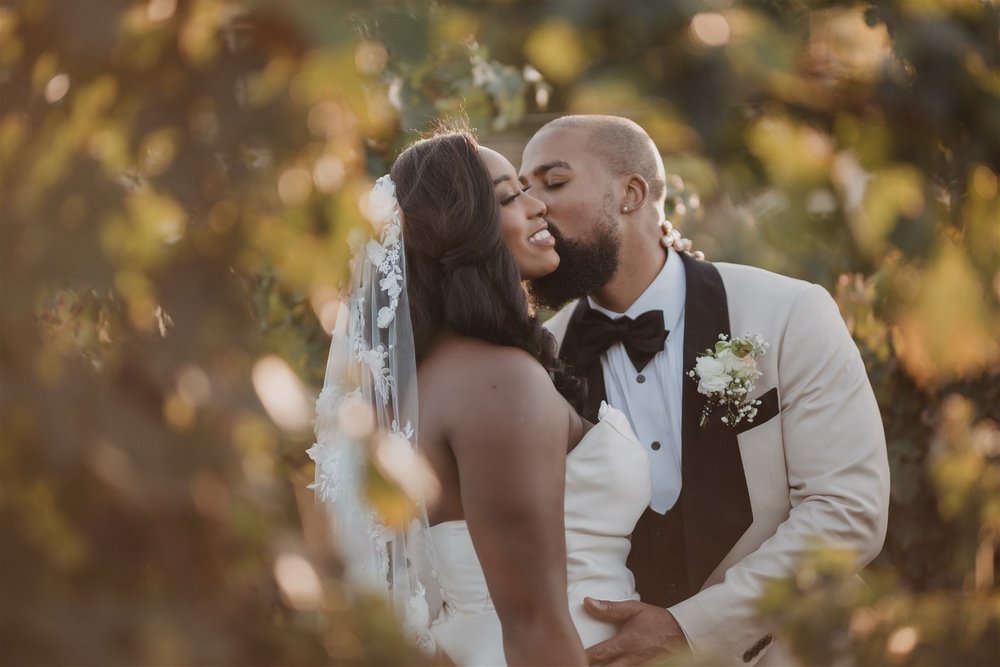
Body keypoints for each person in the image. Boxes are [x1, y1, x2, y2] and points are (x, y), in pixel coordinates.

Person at [312, 130, 694, 666]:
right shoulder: (497, 383)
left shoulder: (441, 374)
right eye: (512, 196)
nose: (540, 206)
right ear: (462, 230)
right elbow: (534, 623)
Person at [520, 115, 891, 666]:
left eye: (553, 183)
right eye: (523, 191)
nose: (534, 206)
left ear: (630, 193)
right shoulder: (537, 363)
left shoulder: (789, 313)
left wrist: (690, 629)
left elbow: (847, 510)